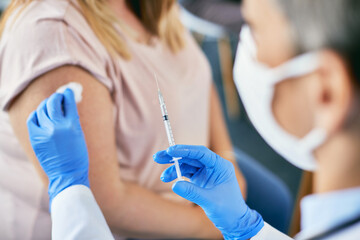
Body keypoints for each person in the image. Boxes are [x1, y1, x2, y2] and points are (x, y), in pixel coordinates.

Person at [26, 0, 360, 239]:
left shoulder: (156, 13)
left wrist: (70, 192)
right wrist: (248, 227)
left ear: (326, 92)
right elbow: (111, 200)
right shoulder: (53, 28)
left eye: (254, 29)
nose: (246, 46)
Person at [0, 0, 247, 239]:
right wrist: (212, 224)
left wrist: (228, 161)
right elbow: (106, 202)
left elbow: (197, 75)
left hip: (201, 176)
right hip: (125, 223)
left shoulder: (151, 6)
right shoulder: (55, 34)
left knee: (274, 198)